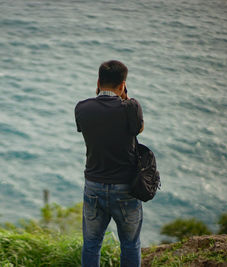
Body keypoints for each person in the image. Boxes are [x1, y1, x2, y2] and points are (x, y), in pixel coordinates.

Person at [74, 60, 144, 267]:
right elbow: (138, 129)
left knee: (91, 243)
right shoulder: (131, 107)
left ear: (98, 81)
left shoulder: (82, 108)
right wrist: (126, 97)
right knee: (130, 244)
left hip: (94, 185)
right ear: (122, 85)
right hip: (126, 188)